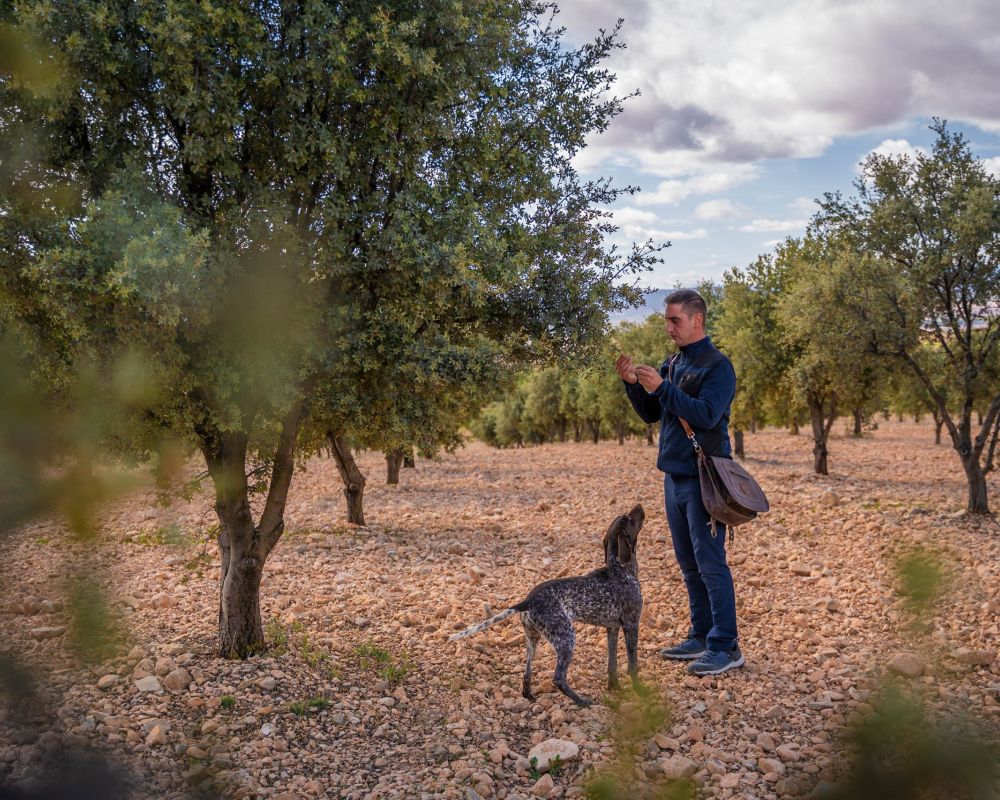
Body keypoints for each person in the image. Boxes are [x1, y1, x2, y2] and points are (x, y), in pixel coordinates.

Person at [614, 288, 744, 676]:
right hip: (673, 477)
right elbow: (652, 414)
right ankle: (701, 635)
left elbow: (705, 415)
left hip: (704, 480)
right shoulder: (673, 362)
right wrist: (634, 386)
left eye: (675, 320)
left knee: (711, 563)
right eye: (666, 320)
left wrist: (663, 388)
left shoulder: (718, 367)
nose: (668, 327)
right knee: (689, 563)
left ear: (697, 320)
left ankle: (726, 644)